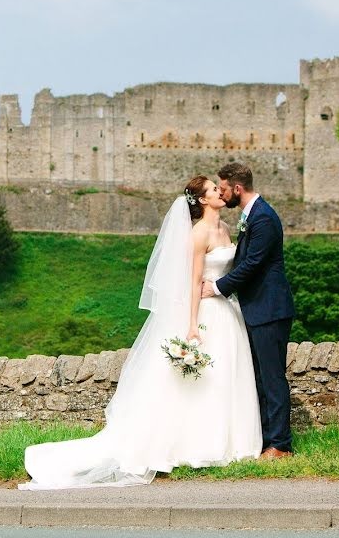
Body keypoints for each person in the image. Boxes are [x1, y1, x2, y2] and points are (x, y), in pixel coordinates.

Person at [19, 175, 261, 490]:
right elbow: (192, 281)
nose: (221, 191)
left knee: (227, 375)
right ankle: (199, 446)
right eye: (215, 189)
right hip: (204, 314)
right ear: (202, 200)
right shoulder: (199, 233)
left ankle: (232, 445)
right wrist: (191, 325)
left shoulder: (226, 229)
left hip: (227, 311)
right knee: (201, 382)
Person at [201, 162, 295, 460]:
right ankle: (268, 440)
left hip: (269, 308)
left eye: (224, 188)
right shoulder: (252, 215)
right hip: (257, 308)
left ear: (237, 189)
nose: (222, 193)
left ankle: (280, 445)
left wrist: (216, 288)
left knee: (272, 377)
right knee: (260, 378)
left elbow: (253, 264)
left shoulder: (263, 218)